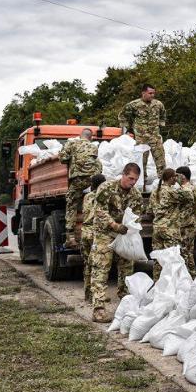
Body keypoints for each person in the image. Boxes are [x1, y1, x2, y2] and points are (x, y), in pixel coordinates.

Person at [90, 162, 144, 323]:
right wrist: (114, 225)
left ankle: (126, 304)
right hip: (105, 233)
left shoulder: (135, 195)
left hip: (124, 235)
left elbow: (137, 215)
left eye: (135, 179)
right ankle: (98, 309)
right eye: (130, 178)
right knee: (101, 269)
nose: (133, 182)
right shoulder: (107, 188)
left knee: (127, 269)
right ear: (123, 174)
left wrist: (131, 227)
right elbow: (99, 210)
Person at [148, 168, 194, 280]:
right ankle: (171, 286)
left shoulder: (155, 191)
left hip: (157, 228)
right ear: (172, 178)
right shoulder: (171, 191)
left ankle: (157, 284)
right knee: (172, 259)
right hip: (170, 229)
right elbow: (189, 196)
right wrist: (181, 182)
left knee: (158, 259)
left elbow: (149, 211)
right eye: (175, 177)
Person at [58, 128, 102, 247]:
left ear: (80, 136)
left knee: (71, 203)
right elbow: (96, 162)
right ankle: (94, 230)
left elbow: (62, 159)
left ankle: (70, 237)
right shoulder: (94, 147)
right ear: (90, 137)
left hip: (77, 179)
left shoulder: (72, 143)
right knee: (93, 202)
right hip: (92, 179)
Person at [118, 84, 167, 189]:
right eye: (150, 93)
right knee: (141, 163)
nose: (152, 95)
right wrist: (130, 128)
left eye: (153, 93)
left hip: (155, 138)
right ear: (143, 93)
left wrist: (160, 125)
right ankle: (141, 186)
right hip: (142, 139)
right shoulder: (134, 105)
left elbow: (163, 115)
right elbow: (122, 115)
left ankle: (164, 186)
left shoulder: (158, 104)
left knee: (161, 162)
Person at [81, 173, 106, 302]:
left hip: (85, 232)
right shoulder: (101, 196)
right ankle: (96, 296)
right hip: (94, 233)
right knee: (97, 266)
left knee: (87, 264)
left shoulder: (86, 196)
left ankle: (87, 294)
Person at [176, 166, 196, 277]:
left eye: (177, 175)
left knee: (184, 252)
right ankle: (192, 275)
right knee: (189, 252)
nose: (175, 178)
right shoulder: (195, 188)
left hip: (184, 225)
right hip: (192, 223)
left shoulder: (183, 190)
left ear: (183, 176)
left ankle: (187, 277)